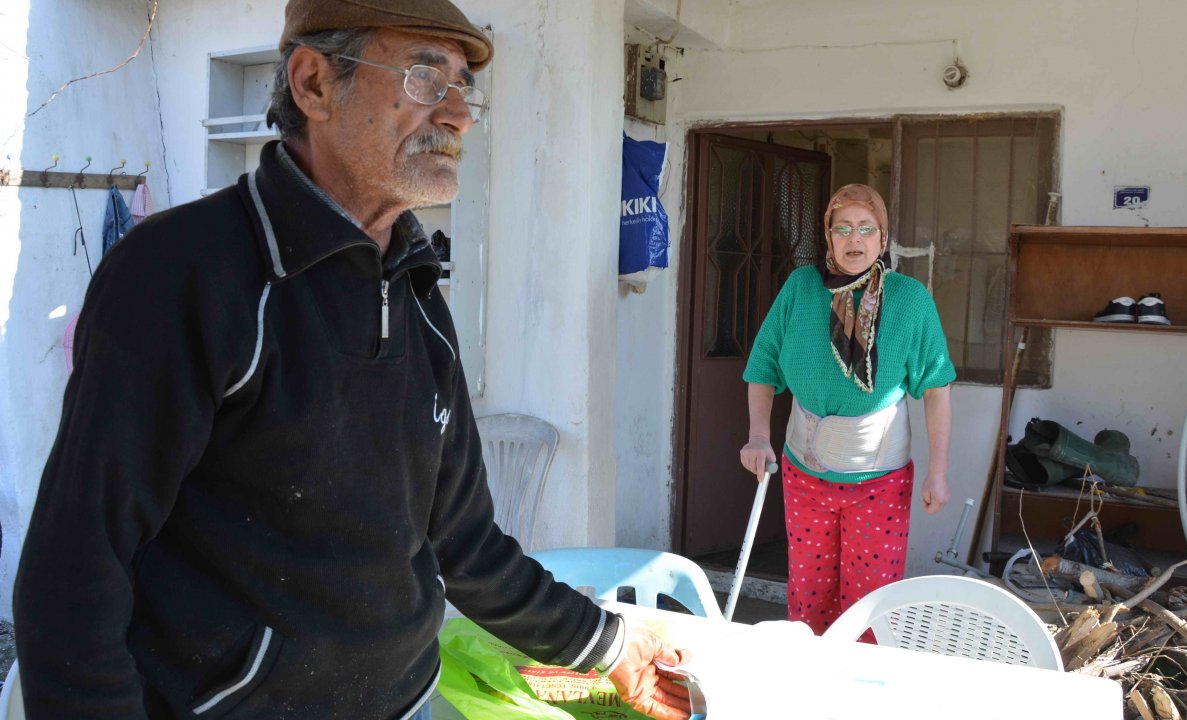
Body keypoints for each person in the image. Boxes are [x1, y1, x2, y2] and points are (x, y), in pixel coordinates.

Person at [13, 1, 691, 718]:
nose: (459, 115)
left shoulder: (418, 291)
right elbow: (76, 568)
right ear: (313, 84)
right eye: (425, 77)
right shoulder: (183, 272)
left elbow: (463, 542)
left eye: (464, 87)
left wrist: (610, 646)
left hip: (408, 702)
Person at [739, 184, 955, 634]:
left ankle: (861, 680)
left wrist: (938, 471)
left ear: (883, 237)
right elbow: (763, 365)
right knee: (808, 599)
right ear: (828, 236)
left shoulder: (910, 299)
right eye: (842, 229)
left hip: (880, 483)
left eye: (866, 228)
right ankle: (812, 680)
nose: (854, 239)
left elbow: (936, 389)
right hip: (804, 476)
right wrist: (758, 435)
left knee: (871, 607)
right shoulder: (801, 288)